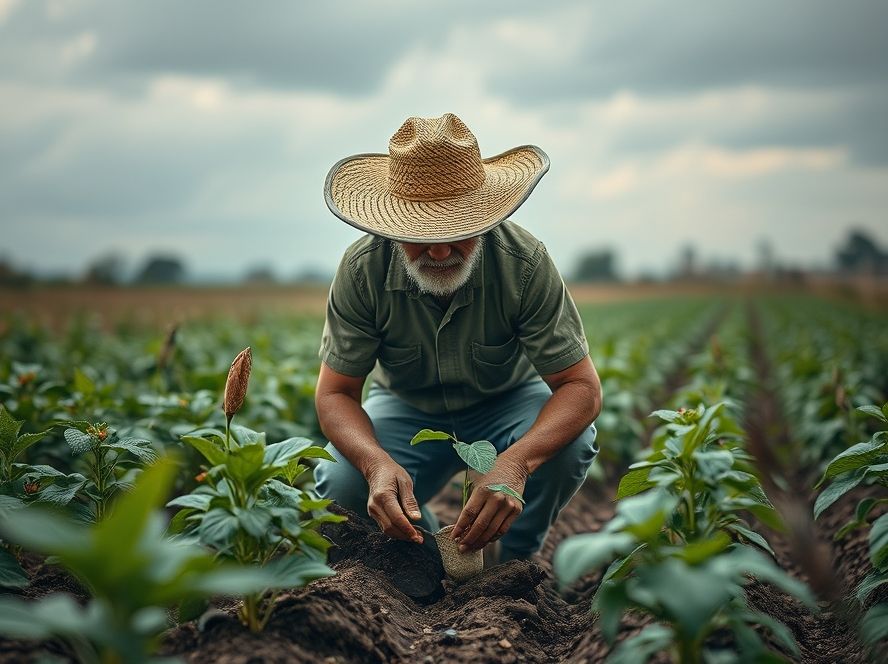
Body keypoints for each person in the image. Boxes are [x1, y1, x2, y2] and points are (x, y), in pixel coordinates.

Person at [314, 113, 602, 563]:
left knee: (571, 445)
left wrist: (515, 463)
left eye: (457, 231)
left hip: (506, 403)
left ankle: (516, 566)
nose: (442, 251)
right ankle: (424, 552)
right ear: (392, 228)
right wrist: (375, 463)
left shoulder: (522, 264)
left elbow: (581, 389)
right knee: (340, 481)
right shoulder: (362, 270)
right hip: (408, 409)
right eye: (421, 236)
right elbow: (336, 393)